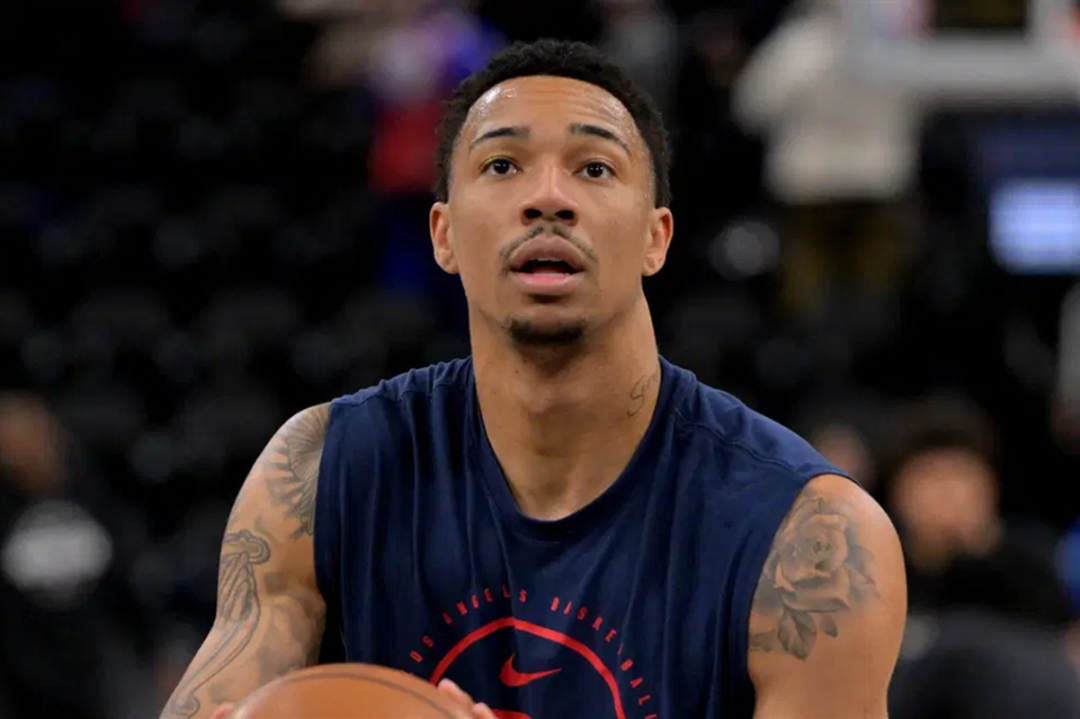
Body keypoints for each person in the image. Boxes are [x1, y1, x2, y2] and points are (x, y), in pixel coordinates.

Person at [160, 38, 906, 719]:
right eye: (502, 165)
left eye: (594, 168)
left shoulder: (811, 540)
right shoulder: (320, 472)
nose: (548, 197)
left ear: (656, 238)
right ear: (444, 235)